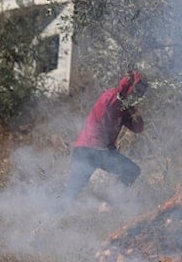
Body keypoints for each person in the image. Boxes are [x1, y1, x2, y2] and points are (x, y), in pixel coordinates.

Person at [61, 71, 148, 204]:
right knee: (73, 190)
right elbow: (116, 98)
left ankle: (108, 204)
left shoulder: (125, 109)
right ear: (130, 86)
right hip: (87, 151)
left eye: (142, 91)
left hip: (101, 153)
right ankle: (50, 217)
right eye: (137, 89)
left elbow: (138, 128)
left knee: (132, 171)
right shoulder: (111, 97)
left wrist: (134, 110)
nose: (138, 94)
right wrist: (126, 84)